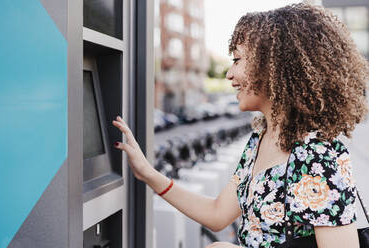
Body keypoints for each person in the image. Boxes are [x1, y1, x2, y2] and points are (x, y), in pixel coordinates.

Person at [112, 3, 369, 248]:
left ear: (272, 68)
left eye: (237, 60)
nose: (229, 74)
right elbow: (217, 213)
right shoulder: (260, 140)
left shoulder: (316, 156)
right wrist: (147, 173)